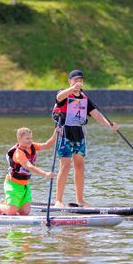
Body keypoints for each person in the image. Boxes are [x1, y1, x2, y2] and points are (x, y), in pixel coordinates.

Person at [52, 69, 119, 208]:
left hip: (79, 133)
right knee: (65, 166)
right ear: (69, 81)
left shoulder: (85, 98)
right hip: (65, 133)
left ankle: (80, 200)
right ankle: (58, 200)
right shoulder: (64, 93)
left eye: (80, 80)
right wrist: (72, 89)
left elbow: (97, 115)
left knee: (80, 166)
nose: (78, 82)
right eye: (75, 80)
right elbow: (59, 97)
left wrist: (109, 124)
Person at [0, 127, 56, 216]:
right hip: (13, 185)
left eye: (31, 138)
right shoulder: (18, 153)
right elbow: (29, 166)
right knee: (11, 212)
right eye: (27, 139)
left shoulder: (32, 146)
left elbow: (47, 145)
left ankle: (6, 205)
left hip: (24, 186)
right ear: (19, 139)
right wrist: (45, 174)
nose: (30, 141)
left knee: (25, 213)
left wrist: (56, 134)